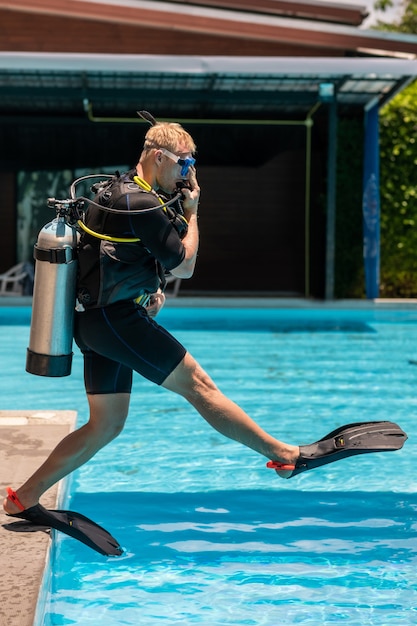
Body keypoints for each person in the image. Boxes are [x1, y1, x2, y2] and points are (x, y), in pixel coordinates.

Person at [3, 115, 406, 521]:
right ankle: (285, 456)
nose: (188, 174)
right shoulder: (139, 202)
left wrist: (144, 290)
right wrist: (194, 213)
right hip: (114, 322)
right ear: (158, 157)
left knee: (106, 425)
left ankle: (24, 498)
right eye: (185, 164)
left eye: (192, 165)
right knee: (199, 386)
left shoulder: (114, 190)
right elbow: (185, 265)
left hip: (95, 321)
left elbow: (112, 257)